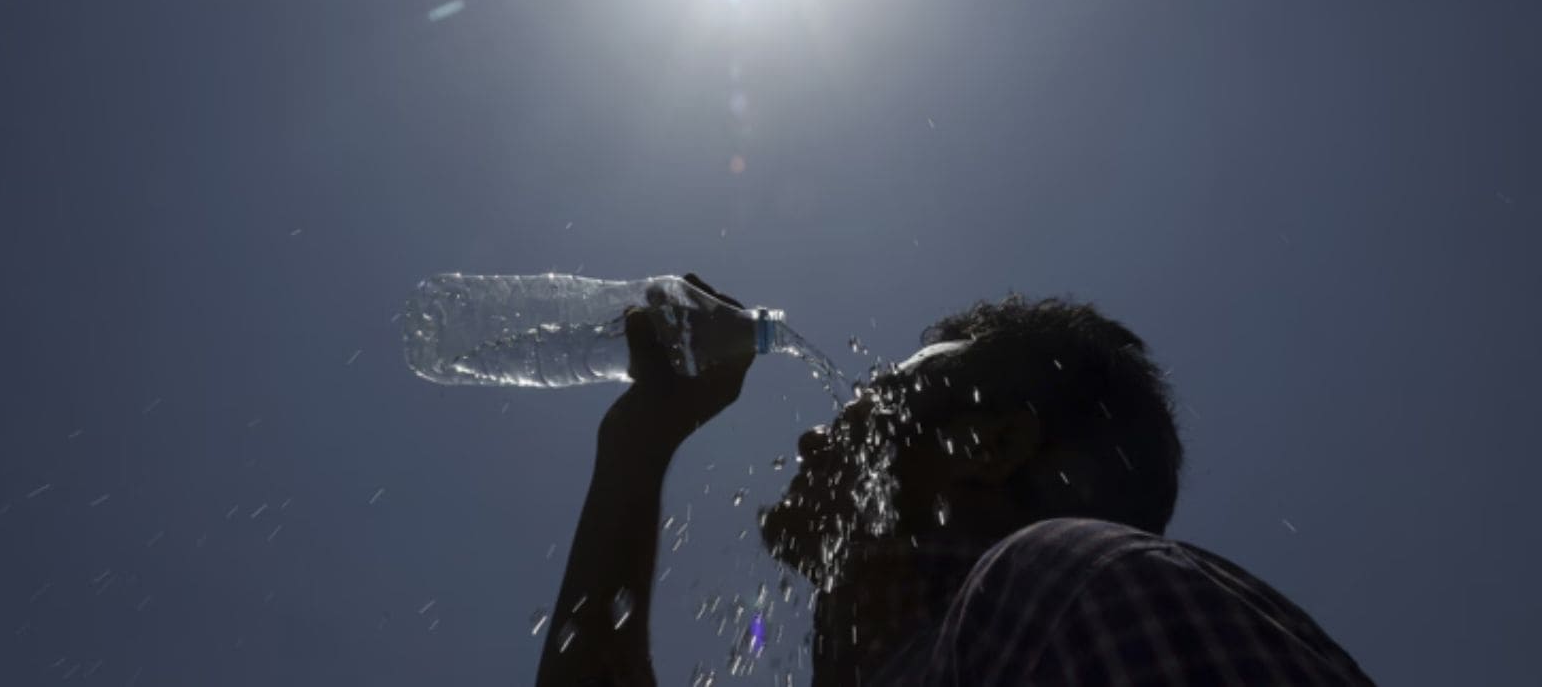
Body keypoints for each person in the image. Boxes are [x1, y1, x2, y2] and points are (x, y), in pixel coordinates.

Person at [535, 275, 1374, 686]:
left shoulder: (1064, 589)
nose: (815, 431)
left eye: (877, 398)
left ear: (991, 443)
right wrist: (638, 442)